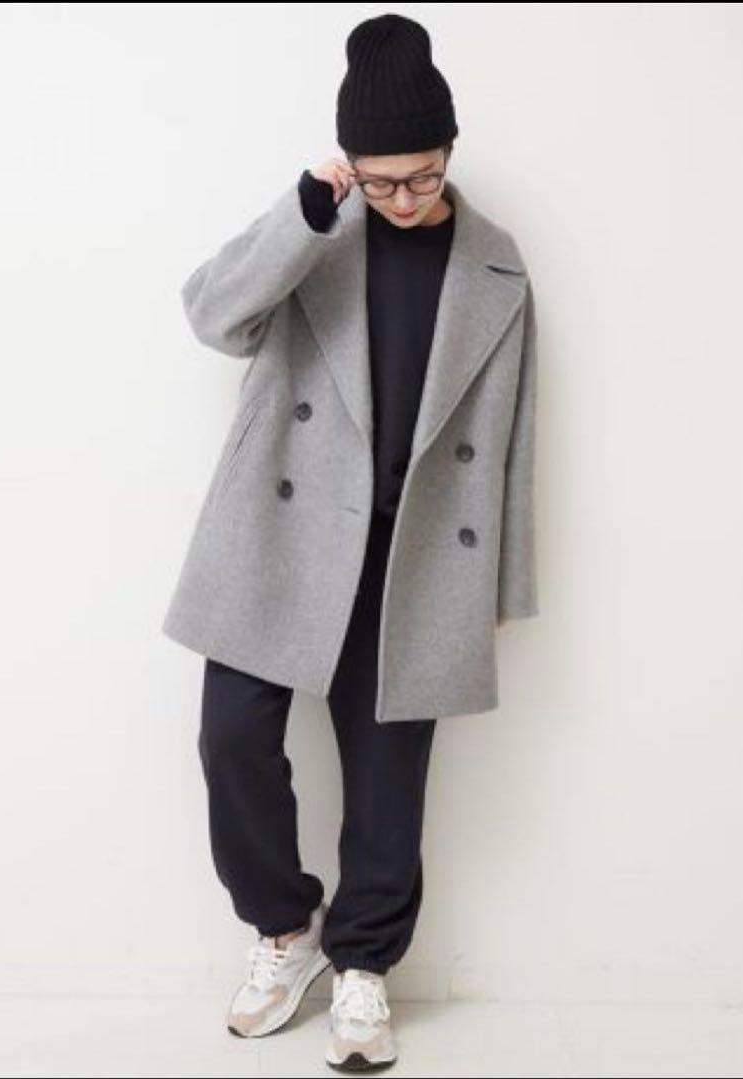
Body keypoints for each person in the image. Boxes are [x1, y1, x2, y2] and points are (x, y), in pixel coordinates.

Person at [171, 12, 538, 1072]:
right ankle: (286, 930)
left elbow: (514, 438)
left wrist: (496, 590)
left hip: (416, 552)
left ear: (450, 150)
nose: (405, 199)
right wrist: (304, 212)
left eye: (422, 175)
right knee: (232, 739)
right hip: (282, 535)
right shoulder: (316, 235)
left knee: (388, 782)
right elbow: (212, 316)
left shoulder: (498, 267)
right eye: (381, 181)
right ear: (349, 165)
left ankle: (364, 962)